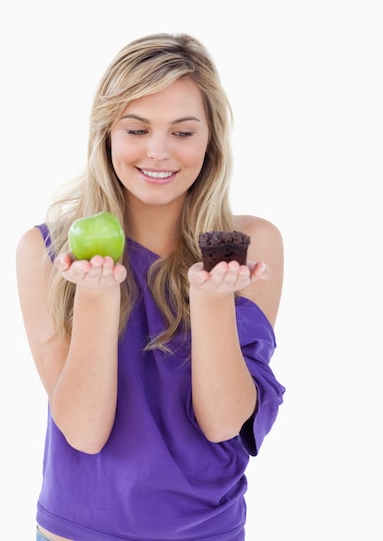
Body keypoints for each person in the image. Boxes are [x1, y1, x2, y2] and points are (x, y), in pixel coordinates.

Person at [16, 32, 285, 541]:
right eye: (136, 129)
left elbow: (224, 423)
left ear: (211, 142)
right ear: (107, 136)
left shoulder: (251, 245)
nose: (158, 153)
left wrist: (210, 301)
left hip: (208, 531)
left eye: (183, 133)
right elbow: (85, 432)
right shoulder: (47, 252)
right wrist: (96, 296)